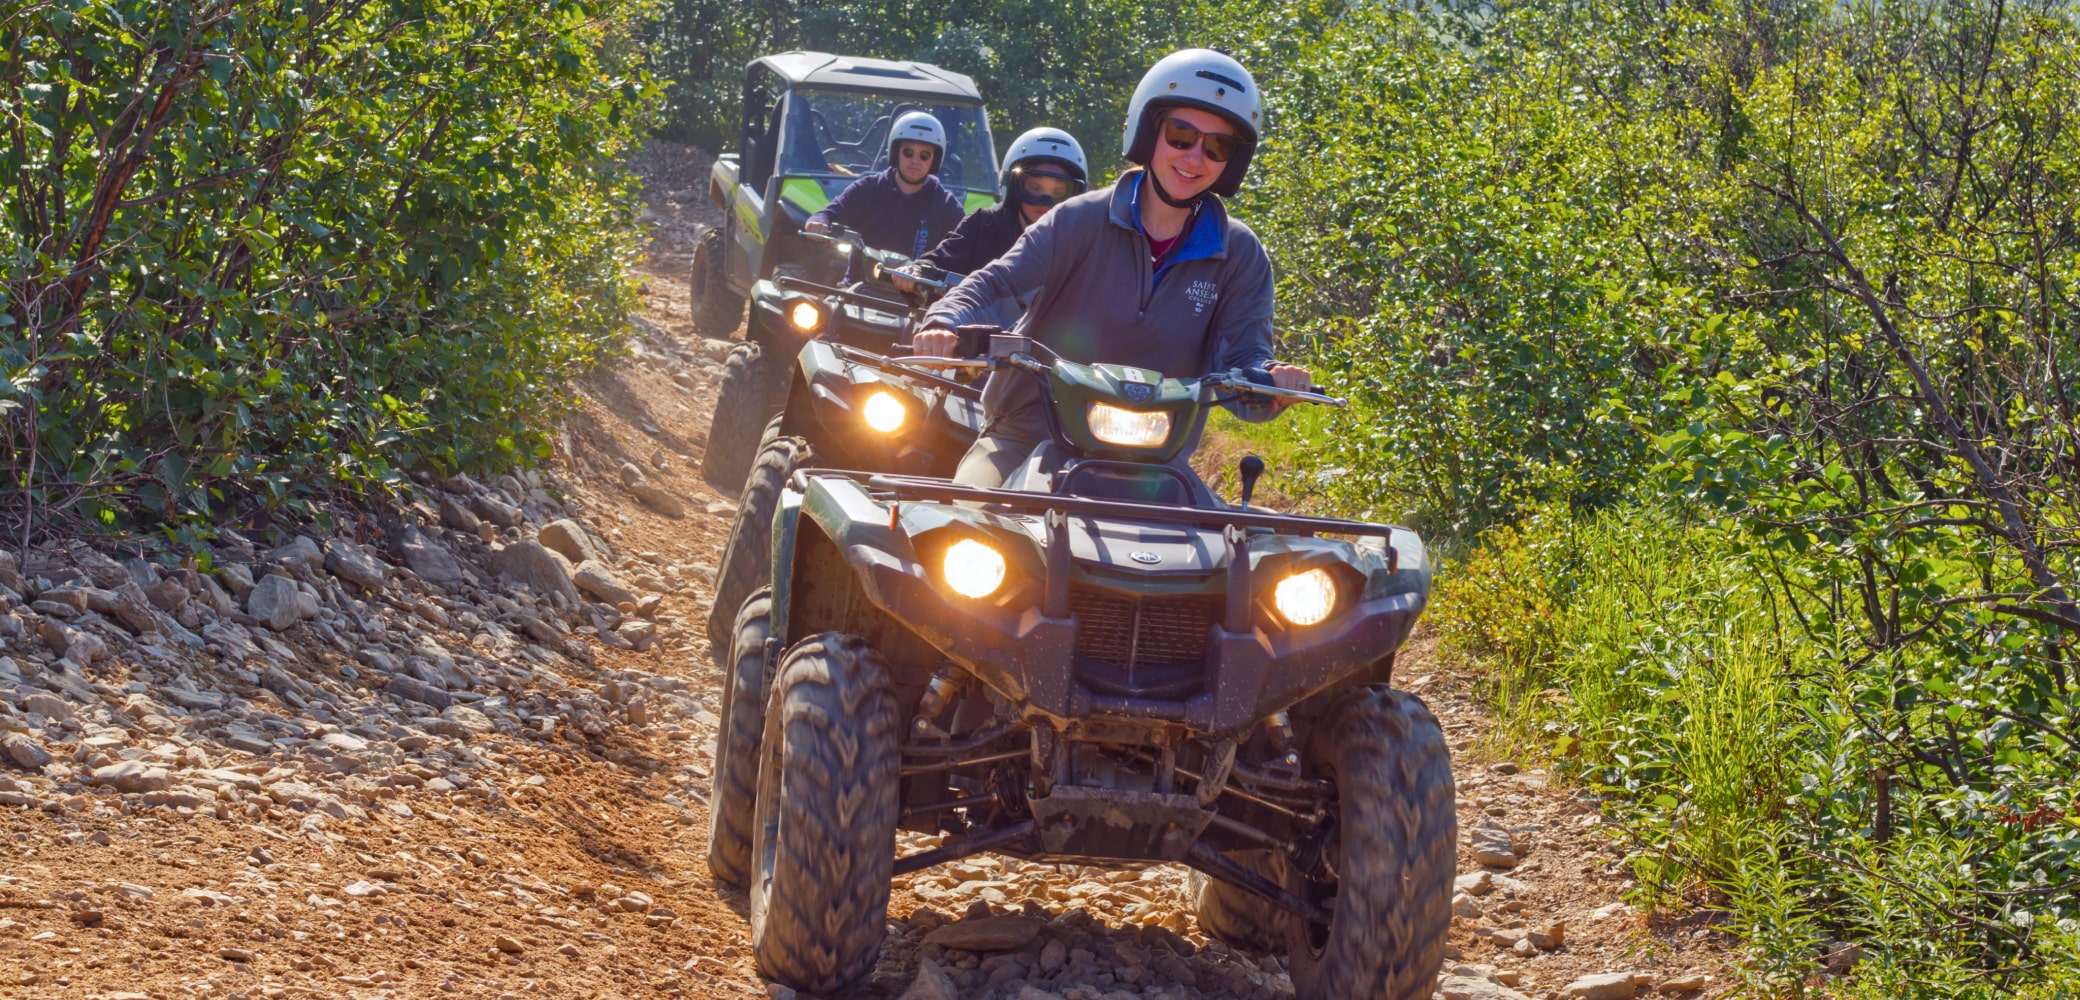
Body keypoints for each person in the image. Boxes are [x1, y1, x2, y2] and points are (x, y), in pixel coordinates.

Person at [912, 49, 1311, 488]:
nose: (1195, 157)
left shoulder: (1240, 254)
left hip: (1155, 463)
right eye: (1181, 135)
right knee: (967, 517)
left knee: (1228, 552)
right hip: (1028, 431)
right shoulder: (1078, 219)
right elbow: (996, 281)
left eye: (1217, 146)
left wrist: (1272, 381)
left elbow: (1244, 363)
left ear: (1232, 162)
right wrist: (944, 323)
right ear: (1147, 130)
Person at [802, 110, 965, 260]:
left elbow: (967, 242)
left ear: (935, 160)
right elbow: (830, 213)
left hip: (919, 291)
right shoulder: (868, 188)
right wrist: (818, 221)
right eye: (908, 152)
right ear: (895, 152)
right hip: (857, 288)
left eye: (924, 155)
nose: (915, 161)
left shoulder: (946, 205)